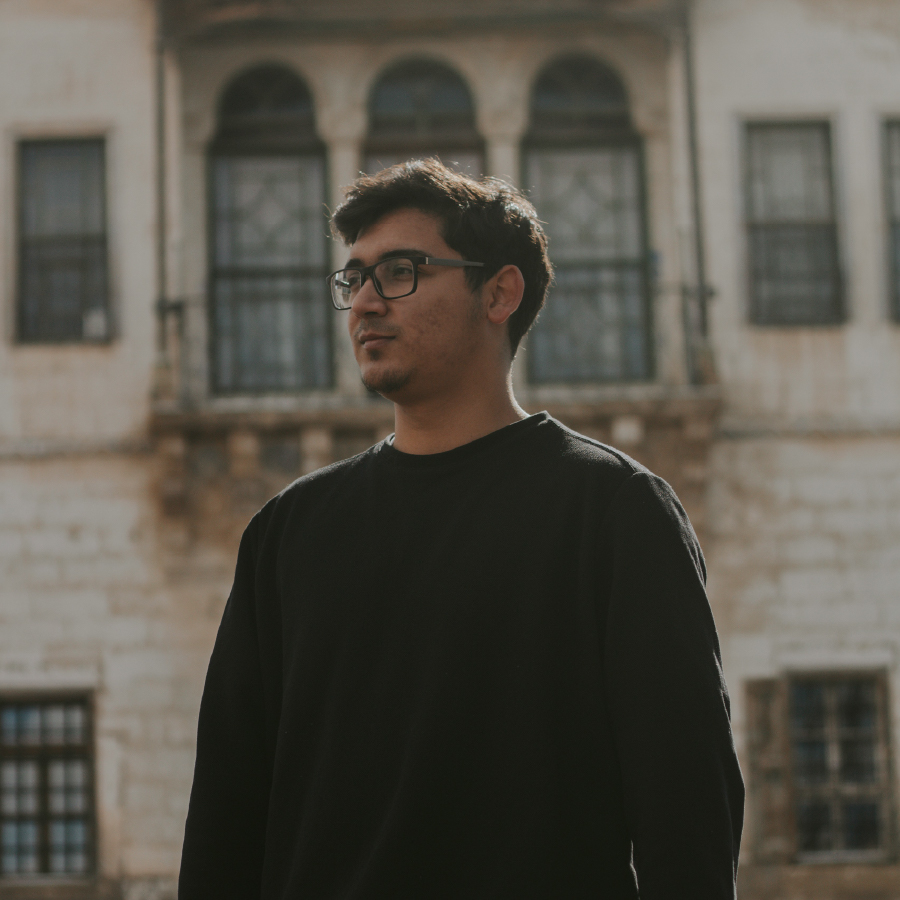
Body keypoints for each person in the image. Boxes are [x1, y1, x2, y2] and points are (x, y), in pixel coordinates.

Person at [178, 159, 744, 899]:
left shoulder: (615, 514)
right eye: (354, 278)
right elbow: (224, 821)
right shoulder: (287, 535)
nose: (365, 303)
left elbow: (688, 817)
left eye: (400, 272)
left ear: (499, 292)